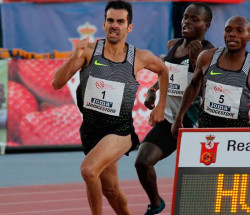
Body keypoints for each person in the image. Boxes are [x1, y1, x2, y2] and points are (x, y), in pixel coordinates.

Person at [51, 1, 168, 215]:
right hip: (91, 130)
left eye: (120, 22)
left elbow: (164, 70)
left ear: (129, 27)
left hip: (120, 130)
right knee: (111, 190)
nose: (115, 25)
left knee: (88, 170)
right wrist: (74, 58)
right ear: (104, 24)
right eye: (110, 20)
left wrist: (160, 105)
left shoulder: (139, 57)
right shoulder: (87, 52)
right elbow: (56, 83)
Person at [134, 3, 214, 215]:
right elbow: (166, 73)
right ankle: (156, 203)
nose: (187, 21)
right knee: (142, 162)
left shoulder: (209, 52)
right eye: (185, 17)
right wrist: (152, 90)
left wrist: (197, 63)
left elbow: (207, 88)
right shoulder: (173, 44)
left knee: (198, 180)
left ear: (206, 25)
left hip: (194, 123)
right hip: (170, 120)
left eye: (194, 19)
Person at [172, 15, 250, 134]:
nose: (232, 34)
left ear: (249, 37)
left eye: (239, 30)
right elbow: (193, 85)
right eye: (228, 30)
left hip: (236, 137)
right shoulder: (207, 57)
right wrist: (179, 117)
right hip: (205, 131)